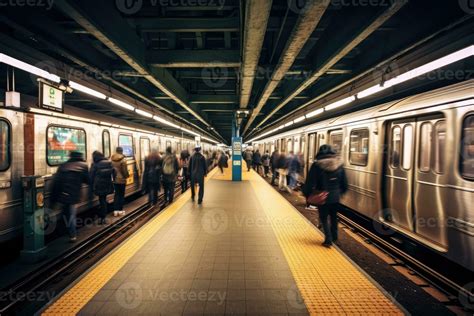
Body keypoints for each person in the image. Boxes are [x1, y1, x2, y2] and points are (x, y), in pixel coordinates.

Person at [303, 144, 348, 248]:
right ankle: (335, 236)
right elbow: (344, 183)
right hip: (335, 196)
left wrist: (307, 194)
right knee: (333, 217)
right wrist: (341, 192)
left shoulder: (317, 165)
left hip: (322, 196)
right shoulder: (339, 164)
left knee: (323, 217)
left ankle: (328, 239)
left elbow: (310, 182)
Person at [51, 151, 89, 241]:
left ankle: (65, 231)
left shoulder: (63, 166)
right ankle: (73, 235)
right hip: (74, 195)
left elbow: (56, 183)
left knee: (64, 214)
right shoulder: (83, 166)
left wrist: (53, 198)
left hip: (62, 194)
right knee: (71, 215)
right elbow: (87, 180)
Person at [90, 151, 114, 224]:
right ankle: (103, 214)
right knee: (103, 199)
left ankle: (103, 217)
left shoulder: (95, 164)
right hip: (107, 184)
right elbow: (114, 172)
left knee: (102, 200)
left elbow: (91, 176)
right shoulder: (109, 163)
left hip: (99, 185)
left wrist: (91, 185)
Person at [111, 147, 129, 216]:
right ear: (121, 151)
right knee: (121, 195)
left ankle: (115, 211)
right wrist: (127, 176)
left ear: (116, 151)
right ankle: (120, 210)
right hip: (121, 180)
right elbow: (124, 171)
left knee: (116, 195)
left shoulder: (112, 159)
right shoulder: (123, 160)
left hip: (115, 180)